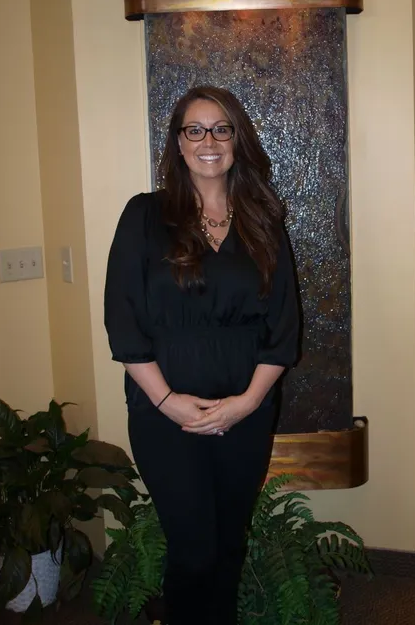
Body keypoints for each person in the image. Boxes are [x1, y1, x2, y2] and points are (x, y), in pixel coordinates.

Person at [104, 86, 300, 625]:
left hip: (247, 411)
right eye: (195, 129)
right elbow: (122, 319)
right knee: (193, 551)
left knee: (229, 543)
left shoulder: (263, 220)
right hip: (165, 415)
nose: (208, 141)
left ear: (237, 139)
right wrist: (168, 401)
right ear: (178, 142)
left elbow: (283, 324)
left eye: (221, 129)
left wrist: (247, 403)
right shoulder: (144, 216)